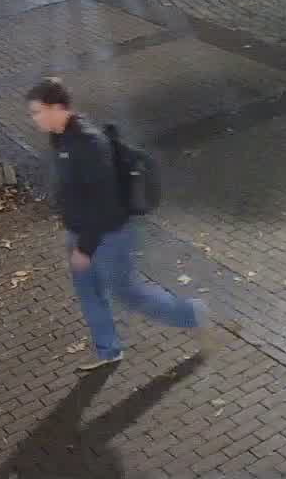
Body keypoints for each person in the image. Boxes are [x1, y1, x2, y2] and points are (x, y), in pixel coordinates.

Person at [27, 77, 213, 372]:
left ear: (57, 108)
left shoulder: (88, 143)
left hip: (109, 234)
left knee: (129, 293)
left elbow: (103, 203)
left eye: (37, 112)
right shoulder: (61, 137)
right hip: (81, 231)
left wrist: (85, 248)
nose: (34, 119)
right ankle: (108, 350)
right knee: (89, 291)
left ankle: (192, 314)